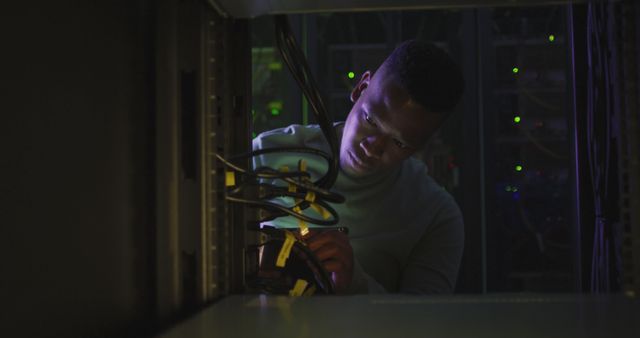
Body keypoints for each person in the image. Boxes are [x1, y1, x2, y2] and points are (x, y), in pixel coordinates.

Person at [252, 40, 465, 294]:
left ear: (420, 145)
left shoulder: (435, 216)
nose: (373, 147)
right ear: (360, 88)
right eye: (371, 120)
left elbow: (426, 327)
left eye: (399, 142)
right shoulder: (266, 155)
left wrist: (355, 281)